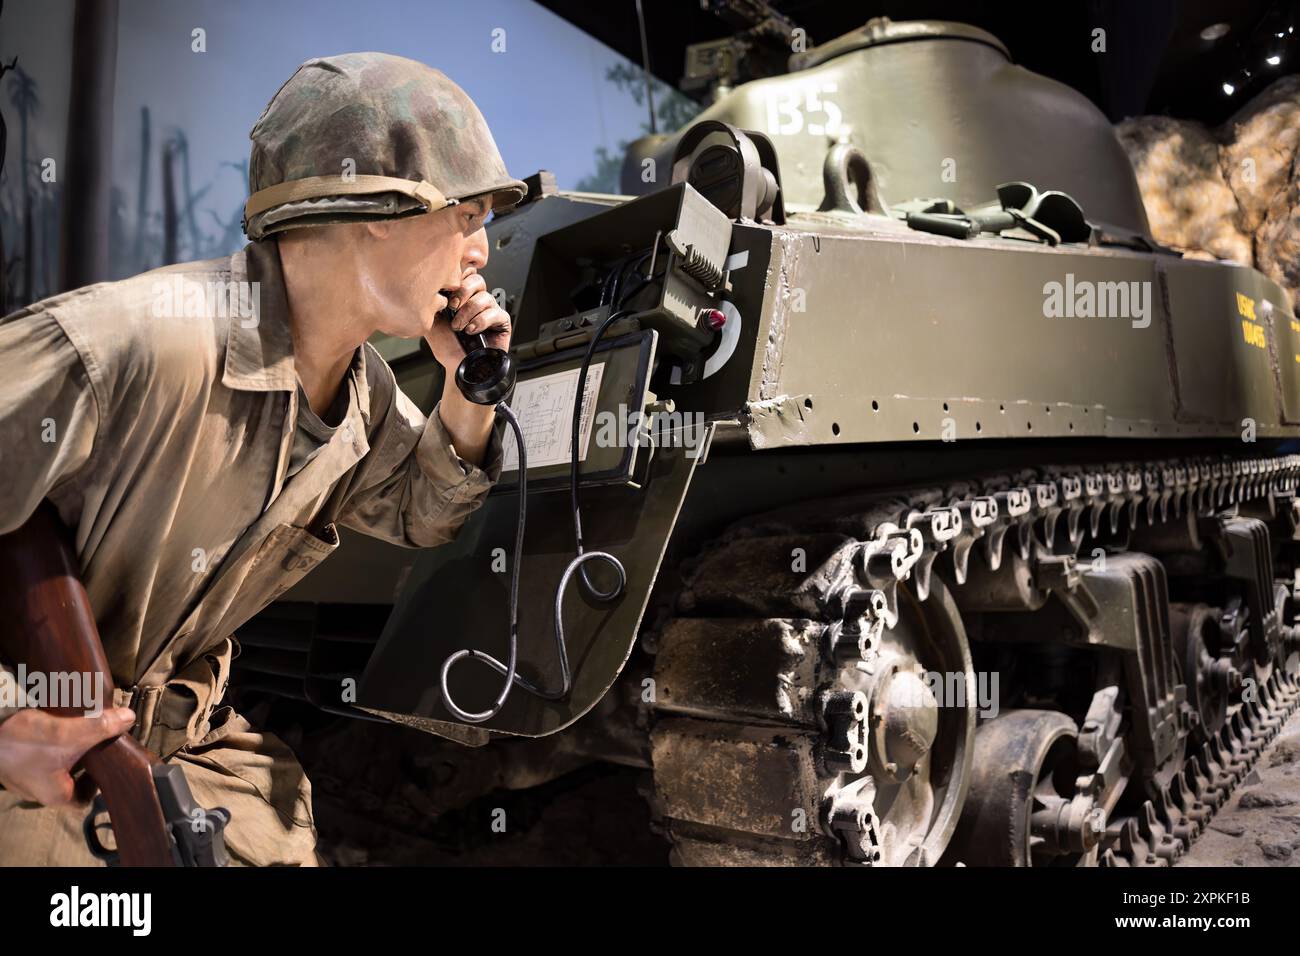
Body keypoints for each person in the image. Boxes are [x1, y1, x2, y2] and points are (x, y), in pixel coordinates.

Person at [0, 52, 527, 865]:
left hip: (190, 761)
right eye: (466, 217)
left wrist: (470, 385)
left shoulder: (362, 393)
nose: (481, 252)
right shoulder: (137, 344)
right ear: (371, 210)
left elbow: (425, 514)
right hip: (42, 773)